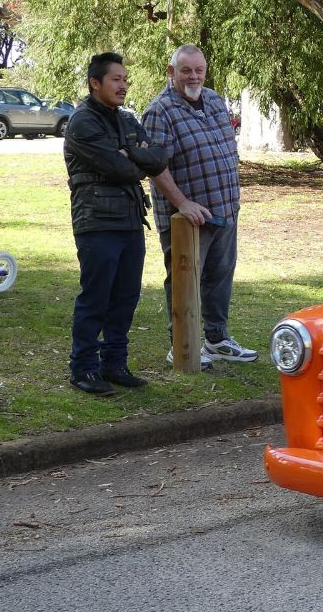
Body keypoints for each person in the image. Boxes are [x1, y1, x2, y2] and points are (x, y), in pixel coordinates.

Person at [64, 52, 205, 395]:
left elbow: (158, 157)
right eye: (116, 79)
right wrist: (131, 157)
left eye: (126, 80)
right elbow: (121, 169)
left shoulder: (125, 119)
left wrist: (130, 153)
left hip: (129, 220)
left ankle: (114, 363)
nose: (123, 85)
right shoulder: (83, 122)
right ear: (95, 83)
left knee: (126, 296)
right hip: (96, 222)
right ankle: (83, 368)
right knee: (96, 297)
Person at [145, 44, 259, 366]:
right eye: (186, 70)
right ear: (171, 72)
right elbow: (154, 166)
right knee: (184, 281)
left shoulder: (213, 99)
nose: (193, 76)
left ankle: (217, 340)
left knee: (219, 278)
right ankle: (181, 344)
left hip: (225, 210)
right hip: (187, 220)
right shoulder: (160, 110)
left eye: (199, 70)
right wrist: (183, 203)